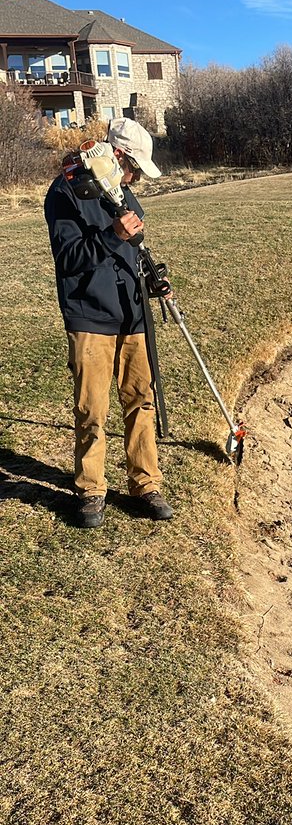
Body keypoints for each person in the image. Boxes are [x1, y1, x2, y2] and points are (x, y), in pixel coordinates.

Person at [44, 118, 173, 528]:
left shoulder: (124, 194)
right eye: (134, 167)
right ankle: (90, 490)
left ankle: (146, 483)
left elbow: (131, 252)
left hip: (132, 313)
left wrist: (152, 279)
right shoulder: (65, 192)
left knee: (141, 399)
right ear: (118, 156)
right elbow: (69, 259)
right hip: (90, 316)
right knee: (92, 407)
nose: (136, 177)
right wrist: (113, 235)